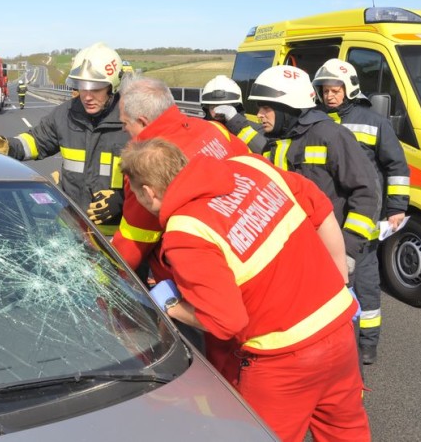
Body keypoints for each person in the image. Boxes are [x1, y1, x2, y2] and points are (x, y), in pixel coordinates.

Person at [121, 137, 370, 442]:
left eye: (134, 195)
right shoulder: (251, 168)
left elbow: (227, 322)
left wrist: (169, 304)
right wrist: (339, 281)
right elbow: (321, 210)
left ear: (148, 192)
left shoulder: (187, 231)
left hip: (281, 362)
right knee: (346, 433)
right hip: (340, 332)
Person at [313, 58, 410, 365]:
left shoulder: (373, 121)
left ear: (349, 89)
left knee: (366, 286)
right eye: (325, 90)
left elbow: (396, 166)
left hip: (364, 218)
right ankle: (335, 339)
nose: (330, 96)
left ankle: (367, 344)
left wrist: (396, 207)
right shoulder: (314, 121)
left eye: (336, 90)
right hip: (328, 218)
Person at [249, 65, 382, 288]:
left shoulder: (330, 136)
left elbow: (367, 193)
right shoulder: (275, 140)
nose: (259, 115)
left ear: (287, 107)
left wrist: (347, 249)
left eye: (265, 108)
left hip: (327, 256)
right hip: (289, 255)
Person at [0, 42, 128, 236]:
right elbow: (36, 141)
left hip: (117, 240)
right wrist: (9, 147)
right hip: (71, 231)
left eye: (96, 88)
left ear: (113, 86)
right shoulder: (65, 114)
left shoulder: (132, 123)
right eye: (82, 87)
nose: (87, 96)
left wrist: (122, 200)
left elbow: (155, 183)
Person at [112, 76, 250, 276]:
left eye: (125, 123)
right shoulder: (214, 129)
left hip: (199, 271)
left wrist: (102, 279)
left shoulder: (146, 163)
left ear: (143, 122)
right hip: (246, 245)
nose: (124, 130)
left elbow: (133, 243)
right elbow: (250, 167)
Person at [200, 75, 268, 153]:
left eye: (225, 107)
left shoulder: (256, 130)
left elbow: (267, 153)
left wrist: (235, 121)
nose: (218, 111)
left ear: (237, 107)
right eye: (213, 107)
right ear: (206, 109)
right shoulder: (200, 130)